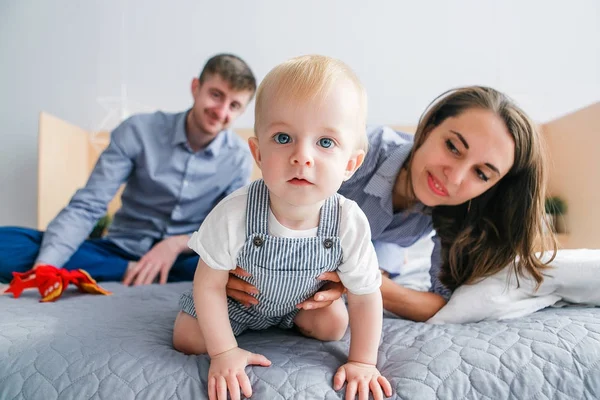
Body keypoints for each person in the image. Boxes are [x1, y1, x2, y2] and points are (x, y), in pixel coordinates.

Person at [226, 85, 557, 322]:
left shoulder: (463, 211)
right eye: (453, 147)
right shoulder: (354, 153)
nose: (454, 178)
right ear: (428, 128)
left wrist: (367, 280)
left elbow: (443, 303)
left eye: (482, 174)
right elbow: (269, 204)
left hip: (379, 253)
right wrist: (228, 266)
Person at [172, 55, 393, 400]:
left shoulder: (348, 221)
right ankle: (233, 335)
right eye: (283, 137)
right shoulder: (235, 211)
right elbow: (209, 284)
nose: (302, 156)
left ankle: (292, 321)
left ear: (350, 164)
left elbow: (366, 296)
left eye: (325, 142)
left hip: (302, 302)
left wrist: (363, 361)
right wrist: (224, 353)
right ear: (258, 154)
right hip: (238, 302)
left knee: (334, 326)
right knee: (186, 337)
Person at [0, 53, 257, 286]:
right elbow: (88, 205)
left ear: (242, 112)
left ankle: (138, 271)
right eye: (216, 95)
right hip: (120, 249)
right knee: (8, 245)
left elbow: (228, 226)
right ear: (195, 88)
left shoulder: (238, 158)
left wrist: (177, 244)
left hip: (188, 257)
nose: (221, 111)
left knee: (250, 270)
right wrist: (44, 268)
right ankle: (132, 270)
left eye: (234, 105)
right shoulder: (138, 130)